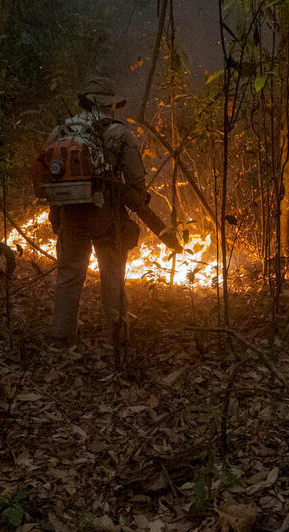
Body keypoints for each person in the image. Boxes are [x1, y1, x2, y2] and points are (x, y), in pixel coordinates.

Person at [48, 77, 181, 346]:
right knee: (113, 277)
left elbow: (51, 178)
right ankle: (118, 339)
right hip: (108, 217)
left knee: (69, 275)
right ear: (107, 104)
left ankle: (61, 338)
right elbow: (135, 180)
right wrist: (138, 199)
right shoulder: (119, 133)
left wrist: (57, 215)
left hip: (72, 215)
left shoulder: (60, 131)